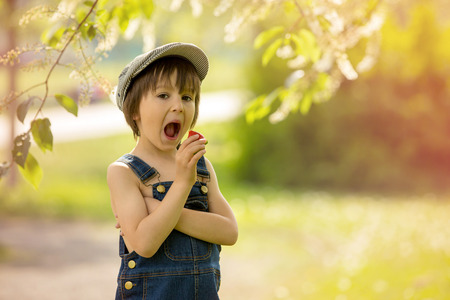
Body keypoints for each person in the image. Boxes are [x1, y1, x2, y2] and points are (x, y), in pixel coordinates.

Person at [107, 42, 238, 300]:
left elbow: (229, 232)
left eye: (187, 97)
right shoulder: (124, 172)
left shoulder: (201, 167)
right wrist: (181, 185)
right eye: (164, 95)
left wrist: (155, 208)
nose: (178, 105)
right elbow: (144, 243)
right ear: (134, 110)